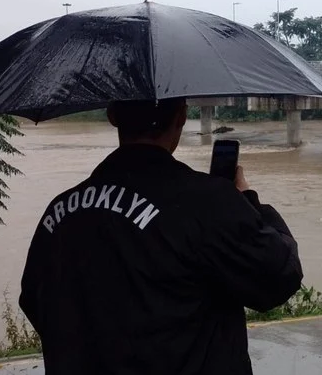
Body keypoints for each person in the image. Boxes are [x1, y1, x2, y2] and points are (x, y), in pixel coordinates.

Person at [19, 98, 302, 374]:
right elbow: (279, 274)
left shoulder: (59, 212)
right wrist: (247, 201)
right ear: (181, 116)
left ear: (112, 116)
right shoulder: (207, 203)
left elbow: (35, 300)